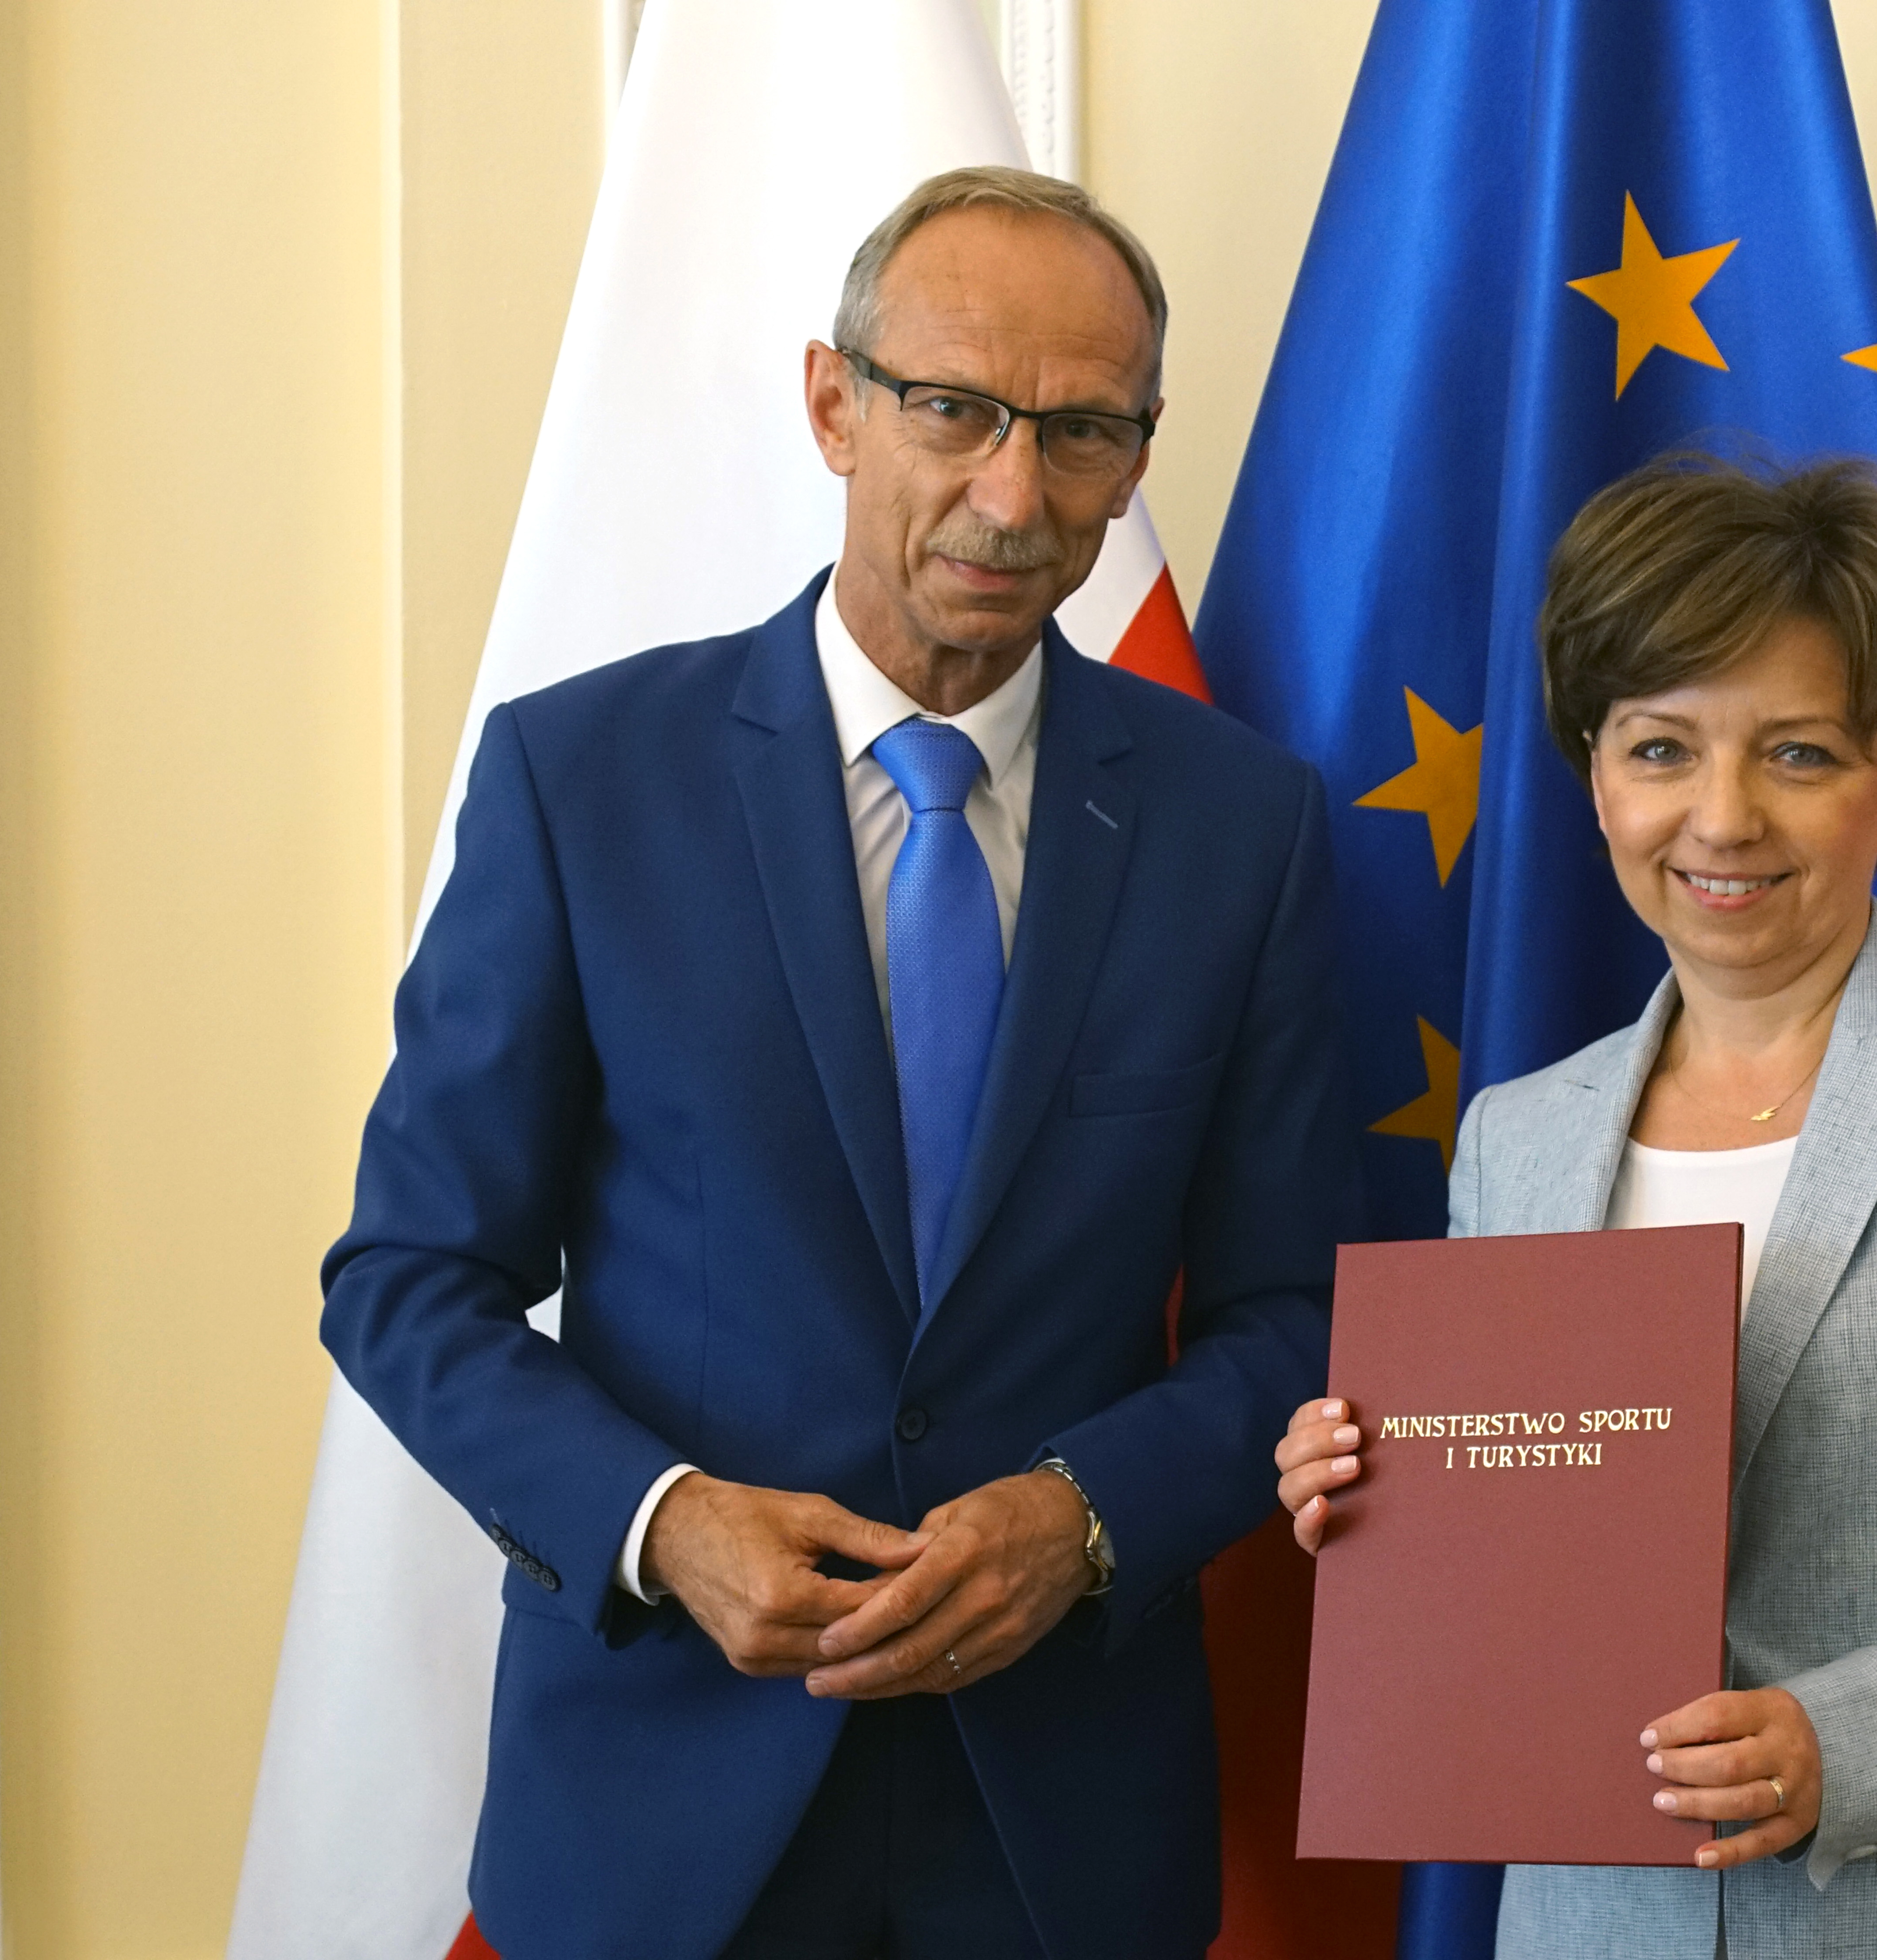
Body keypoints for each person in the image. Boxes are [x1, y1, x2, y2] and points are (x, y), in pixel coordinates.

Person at [325, 167, 1343, 1960]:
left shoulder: (1238, 827)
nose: (1012, 495)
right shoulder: (581, 782)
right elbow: (409, 1278)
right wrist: (662, 1524)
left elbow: (1302, 1313)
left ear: (1136, 457)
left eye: (1080, 433)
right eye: (952, 408)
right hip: (656, 1806)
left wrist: (1086, 1518)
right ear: (832, 404)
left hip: (1061, 1822)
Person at [1275, 454, 1877, 1957]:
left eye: (1797, 754)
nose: (1721, 819)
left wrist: (1845, 1744)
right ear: (1597, 777)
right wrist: (1373, 1501)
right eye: (1662, 749)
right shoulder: (1516, 1139)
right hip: (1601, 1926)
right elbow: (1512, 1574)